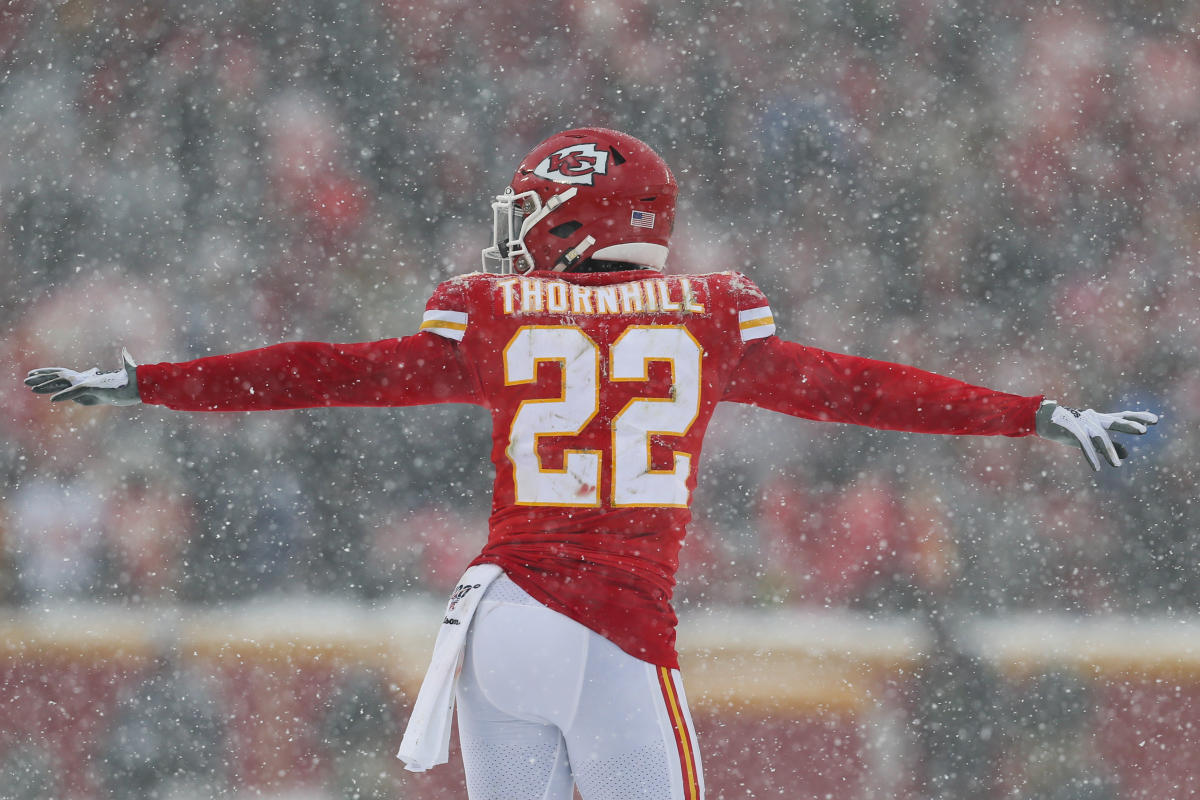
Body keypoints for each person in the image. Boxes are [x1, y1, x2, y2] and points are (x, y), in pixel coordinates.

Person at [25, 127, 1157, 800]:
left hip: (498, 617)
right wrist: (1036, 413)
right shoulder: (710, 315)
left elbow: (324, 369)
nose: (516, 231)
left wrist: (155, 380)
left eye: (533, 211)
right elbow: (863, 389)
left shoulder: (499, 313)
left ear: (572, 219)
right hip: (614, 623)